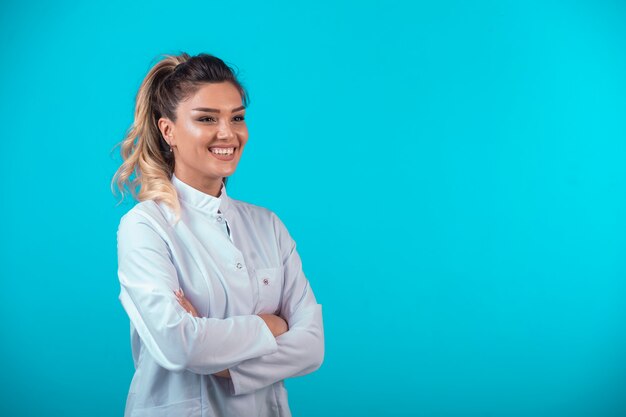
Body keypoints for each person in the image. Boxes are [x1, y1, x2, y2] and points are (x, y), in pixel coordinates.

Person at [111, 52, 324, 417]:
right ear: (168, 130)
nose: (228, 133)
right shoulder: (145, 226)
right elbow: (179, 346)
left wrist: (221, 361)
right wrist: (268, 325)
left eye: (237, 117)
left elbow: (311, 346)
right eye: (207, 118)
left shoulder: (267, 225)